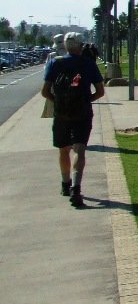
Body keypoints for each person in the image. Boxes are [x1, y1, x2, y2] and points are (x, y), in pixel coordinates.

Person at [40, 32, 105, 208]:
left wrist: (59, 102)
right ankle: (76, 188)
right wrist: (85, 101)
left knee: (63, 150)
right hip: (82, 113)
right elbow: (100, 91)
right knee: (80, 150)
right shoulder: (89, 64)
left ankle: (65, 184)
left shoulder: (55, 63)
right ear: (80, 46)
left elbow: (45, 91)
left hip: (61, 114)